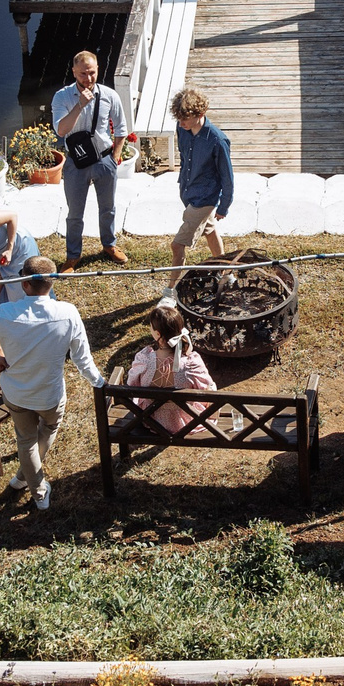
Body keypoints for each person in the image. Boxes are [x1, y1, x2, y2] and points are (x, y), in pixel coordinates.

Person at [0, 255, 103, 512]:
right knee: (47, 429)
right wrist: (98, 382)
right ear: (52, 283)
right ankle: (37, 489)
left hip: (16, 393)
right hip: (50, 395)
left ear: (24, 283)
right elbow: (81, 358)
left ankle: (25, 477)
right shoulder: (68, 313)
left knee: (26, 441)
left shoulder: (3, 314)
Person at [52, 50, 130, 269]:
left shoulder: (109, 95)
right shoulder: (62, 97)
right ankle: (73, 255)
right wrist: (80, 106)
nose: (88, 79)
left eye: (92, 73)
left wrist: (115, 155)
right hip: (76, 163)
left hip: (104, 159)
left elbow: (122, 127)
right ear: (74, 72)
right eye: (83, 74)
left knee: (108, 207)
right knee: (75, 212)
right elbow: (61, 130)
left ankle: (109, 245)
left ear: (98, 70)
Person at [166, 86, 232, 297]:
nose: (181, 123)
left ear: (200, 114)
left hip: (205, 199)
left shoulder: (217, 141)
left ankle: (170, 292)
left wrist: (224, 206)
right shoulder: (182, 130)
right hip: (189, 192)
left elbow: (227, 177)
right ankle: (228, 273)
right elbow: (185, 158)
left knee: (177, 246)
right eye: (179, 118)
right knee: (210, 231)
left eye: (185, 118)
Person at [123, 302, 216, 434]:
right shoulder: (191, 364)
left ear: (157, 333)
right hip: (187, 421)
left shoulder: (143, 360)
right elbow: (207, 390)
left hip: (151, 419)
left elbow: (131, 385)